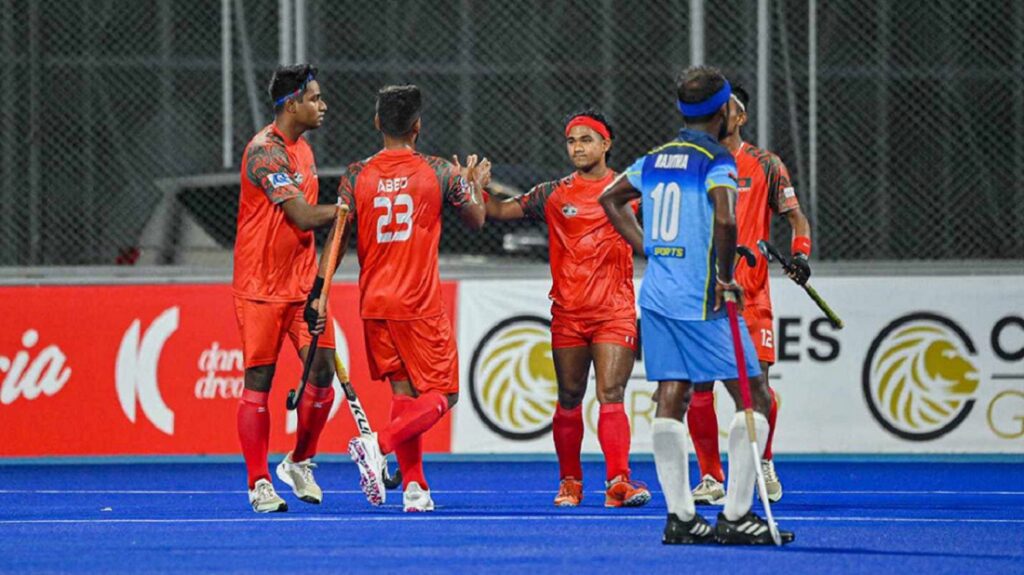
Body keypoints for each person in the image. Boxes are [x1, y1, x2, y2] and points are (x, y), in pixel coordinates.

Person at [600, 65, 794, 545]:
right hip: (701, 298)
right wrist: (725, 278)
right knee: (755, 395)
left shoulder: (656, 157)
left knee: (673, 394)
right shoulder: (716, 160)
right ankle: (737, 515)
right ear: (725, 110)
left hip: (658, 296)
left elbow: (610, 198)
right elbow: (726, 220)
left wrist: (647, 246)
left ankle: (681, 517)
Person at [484, 109, 650, 508]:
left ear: (606, 144)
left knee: (611, 393)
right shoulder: (552, 193)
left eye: (586, 140)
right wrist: (475, 188)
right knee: (570, 396)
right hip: (569, 315)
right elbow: (500, 212)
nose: (577, 148)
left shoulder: (630, 190)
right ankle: (570, 483)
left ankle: (618, 482)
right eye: (572, 141)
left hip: (614, 311)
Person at [339, 85, 487, 512]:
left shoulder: (355, 174)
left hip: (374, 302)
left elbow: (338, 238)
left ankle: (415, 489)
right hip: (417, 303)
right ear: (418, 126)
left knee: (403, 394)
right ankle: (378, 445)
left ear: (377, 123)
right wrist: (474, 185)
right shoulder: (439, 171)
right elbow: (476, 219)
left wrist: (321, 290)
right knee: (445, 394)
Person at [688, 85, 813, 505]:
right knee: (699, 389)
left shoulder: (765, 164)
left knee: (758, 388)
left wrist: (800, 254)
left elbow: (797, 219)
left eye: (727, 108)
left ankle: (764, 459)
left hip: (751, 297)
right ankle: (711, 477)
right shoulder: (693, 164)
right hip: (703, 297)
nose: (719, 114)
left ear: (741, 117)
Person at [233, 64, 340, 513]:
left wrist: (318, 285)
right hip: (260, 288)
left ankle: (298, 461)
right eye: (314, 98)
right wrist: (348, 207)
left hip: (302, 288)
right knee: (259, 381)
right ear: (292, 104)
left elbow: (312, 230)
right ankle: (258, 482)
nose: (323, 105)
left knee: (323, 373)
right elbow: (302, 216)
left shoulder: (304, 151)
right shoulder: (265, 153)